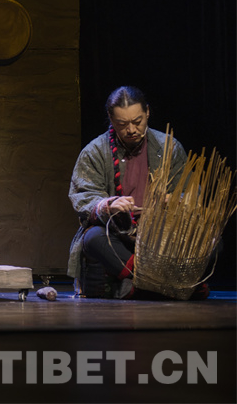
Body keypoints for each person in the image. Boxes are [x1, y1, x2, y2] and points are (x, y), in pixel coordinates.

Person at [68, 86, 190, 299]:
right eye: (123, 124)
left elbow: (188, 190)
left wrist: (177, 199)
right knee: (94, 238)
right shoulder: (95, 151)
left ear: (147, 112)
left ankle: (140, 285)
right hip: (120, 234)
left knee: (214, 243)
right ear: (111, 119)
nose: (131, 129)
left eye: (137, 121)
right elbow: (84, 196)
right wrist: (108, 205)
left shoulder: (168, 147)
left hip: (161, 234)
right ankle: (154, 283)